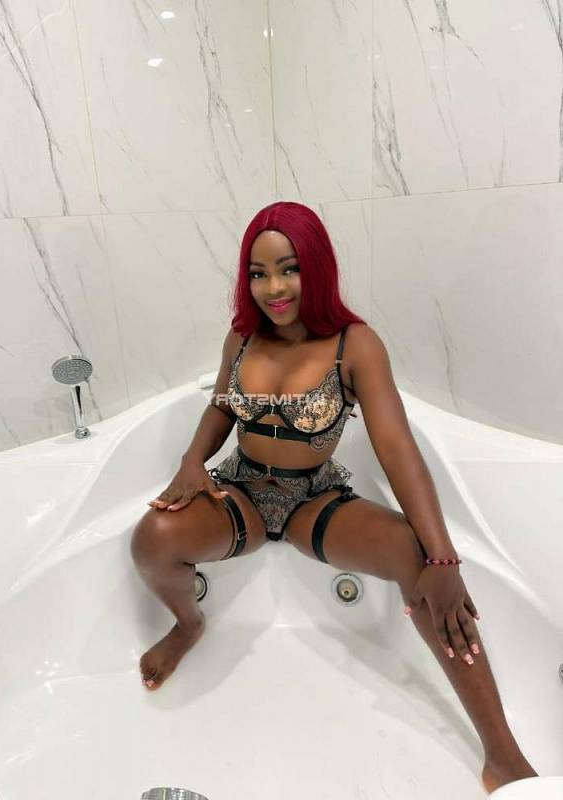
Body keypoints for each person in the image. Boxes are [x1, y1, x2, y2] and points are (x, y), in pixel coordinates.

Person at [130, 201, 537, 794]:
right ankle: (188, 625)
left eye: (289, 269)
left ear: (316, 267)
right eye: (258, 273)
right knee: (152, 539)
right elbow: (221, 406)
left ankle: (502, 753)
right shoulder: (241, 338)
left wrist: (444, 556)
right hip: (241, 489)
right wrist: (193, 461)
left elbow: (397, 449)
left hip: (311, 501)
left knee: (418, 557)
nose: (274, 288)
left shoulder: (355, 344)